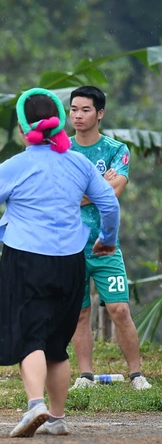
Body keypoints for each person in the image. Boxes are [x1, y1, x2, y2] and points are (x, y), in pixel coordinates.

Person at [0, 88, 120, 438]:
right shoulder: (79, 162)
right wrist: (107, 238)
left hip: (27, 259)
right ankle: (57, 418)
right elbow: (109, 204)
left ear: (22, 127)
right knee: (57, 342)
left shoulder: (17, 164)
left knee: (31, 336)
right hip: (71, 262)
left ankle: (35, 405)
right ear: (60, 122)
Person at [67, 86, 151, 391]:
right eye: (73, 109)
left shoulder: (117, 149)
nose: (77, 115)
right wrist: (97, 189)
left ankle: (137, 375)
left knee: (119, 309)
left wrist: (81, 195)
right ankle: (85, 376)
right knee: (79, 313)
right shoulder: (61, 150)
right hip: (70, 245)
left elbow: (115, 192)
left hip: (105, 244)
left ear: (100, 113)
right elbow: (60, 199)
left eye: (85, 109)